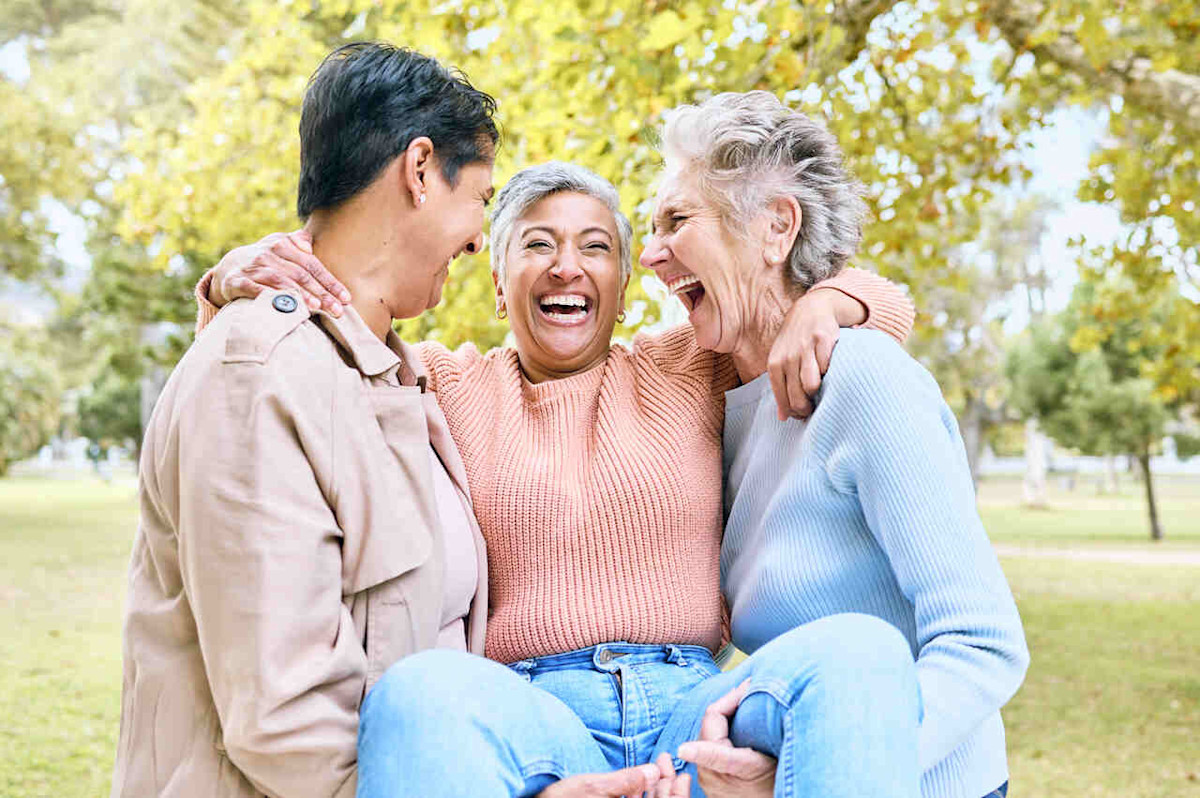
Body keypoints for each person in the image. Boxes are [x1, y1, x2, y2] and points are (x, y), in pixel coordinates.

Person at [197, 156, 922, 797]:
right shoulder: (441, 382)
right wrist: (228, 282)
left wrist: (825, 303)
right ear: (495, 277)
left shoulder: (690, 364)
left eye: (595, 247)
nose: (566, 267)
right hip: (533, 711)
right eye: (537, 245)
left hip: (695, 709)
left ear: (626, 279)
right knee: (417, 691)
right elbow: (300, 346)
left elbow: (889, 307)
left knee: (860, 651)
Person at [112, 42, 683, 798]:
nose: (481, 233)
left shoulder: (391, 375)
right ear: (419, 171)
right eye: (480, 199)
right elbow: (286, 722)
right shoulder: (258, 377)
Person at [636, 92, 1030, 798]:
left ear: (774, 228)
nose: (649, 253)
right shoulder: (708, 388)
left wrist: (834, 763)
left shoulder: (866, 381)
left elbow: (983, 644)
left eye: (676, 220)